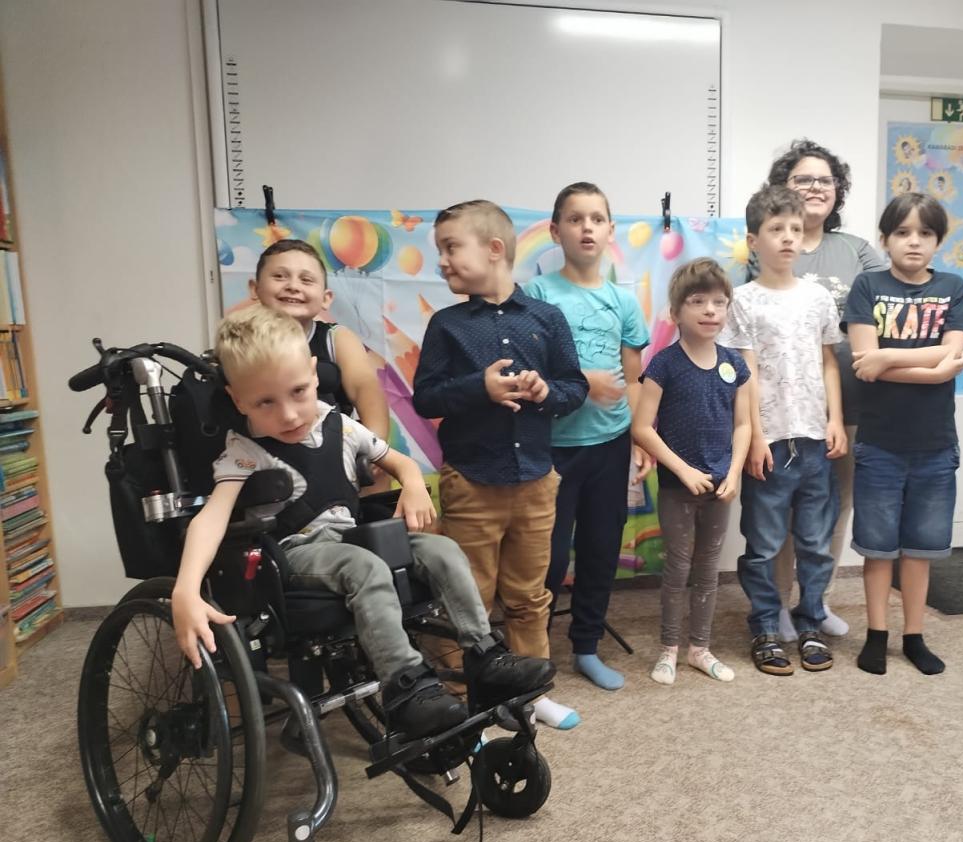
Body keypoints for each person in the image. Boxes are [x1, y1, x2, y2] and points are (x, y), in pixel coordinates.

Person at [170, 305, 555, 739]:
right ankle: (405, 685)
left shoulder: (340, 426)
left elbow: (400, 462)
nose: (290, 415)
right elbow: (211, 518)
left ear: (314, 373)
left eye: (298, 392)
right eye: (265, 403)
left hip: (351, 539)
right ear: (238, 399)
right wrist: (186, 588)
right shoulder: (244, 452)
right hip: (296, 552)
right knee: (364, 566)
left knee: (443, 550)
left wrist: (412, 483)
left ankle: (484, 654)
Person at [413, 200, 589, 730]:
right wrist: (479, 387)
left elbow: (574, 387)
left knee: (530, 596)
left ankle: (530, 694)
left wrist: (545, 392)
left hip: (535, 480)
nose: (442, 260)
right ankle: (459, 701)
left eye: (451, 247)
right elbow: (426, 398)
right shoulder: (446, 325)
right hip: (472, 482)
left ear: (494, 249)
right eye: (440, 250)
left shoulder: (545, 318)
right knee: (466, 599)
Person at [755, 139, 886, 642]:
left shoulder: (855, 250)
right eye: (803, 179)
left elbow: (886, 303)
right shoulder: (770, 244)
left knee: (834, 507)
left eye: (825, 180)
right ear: (783, 188)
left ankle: (817, 600)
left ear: (838, 190)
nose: (815, 188)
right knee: (781, 511)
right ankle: (777, 605)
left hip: (846, 406)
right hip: (783, 409)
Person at [523, 182, 652, 692]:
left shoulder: (623, 301)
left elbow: (634, 379)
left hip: (610, 444)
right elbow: (527, 370)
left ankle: (586, 648)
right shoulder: (536, 295)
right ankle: (532, 652)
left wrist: (639, 439)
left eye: (596, 219)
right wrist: (581, 382)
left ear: (610, 230)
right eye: (575, 219)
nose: (587, 228)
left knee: (601, 549)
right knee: (549, 558)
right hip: (551, 448)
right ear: (556, 231)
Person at [845, 192, 963, 676]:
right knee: (878, 549)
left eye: (925, 233)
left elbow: (952, 353)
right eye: (902, 232)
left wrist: (887, 357)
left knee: (921, 550)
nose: (914, 242)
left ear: (939, 241)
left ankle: (915, 636)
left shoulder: (953, 287)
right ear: (885, 239)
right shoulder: (867, 285)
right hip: (879, 444)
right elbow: (864, 363)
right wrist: (933, 369)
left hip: (935, 446)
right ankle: (876, 635)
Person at [719, 185, 846, 676]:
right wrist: (753, 435)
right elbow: (744, 373)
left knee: (815, 543)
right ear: (754, 240)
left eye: (795, 228)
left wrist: (835, 419)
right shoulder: (743, 301)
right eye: (776, 229)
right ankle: (766, 626)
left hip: (815, 441)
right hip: (770, 444)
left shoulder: (817, 298)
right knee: (765, 545)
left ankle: (810, 621)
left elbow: (829, 361)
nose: (788, 237)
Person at [632, 258, 750, 685]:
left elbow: (743, 424)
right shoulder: (664, 364)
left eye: (719, 302)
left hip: (720, 487)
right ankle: (669, 649)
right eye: (698, 301)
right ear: (676, 311)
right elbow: (642, 428)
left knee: (708, 569)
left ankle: (700, 648)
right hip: (678, 488)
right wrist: (683, 471)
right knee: (678, 569)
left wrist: (734, 473)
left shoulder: (734, 364)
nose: (710, 310)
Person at [250, 238, 390, 440]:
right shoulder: (240, 342)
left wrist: (375, 447)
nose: (293, 286)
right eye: (279, 276)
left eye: (306, 280)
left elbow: (365, 388)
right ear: (255, 289)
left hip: (330, 450)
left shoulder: (337, 339)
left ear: (326, 298)